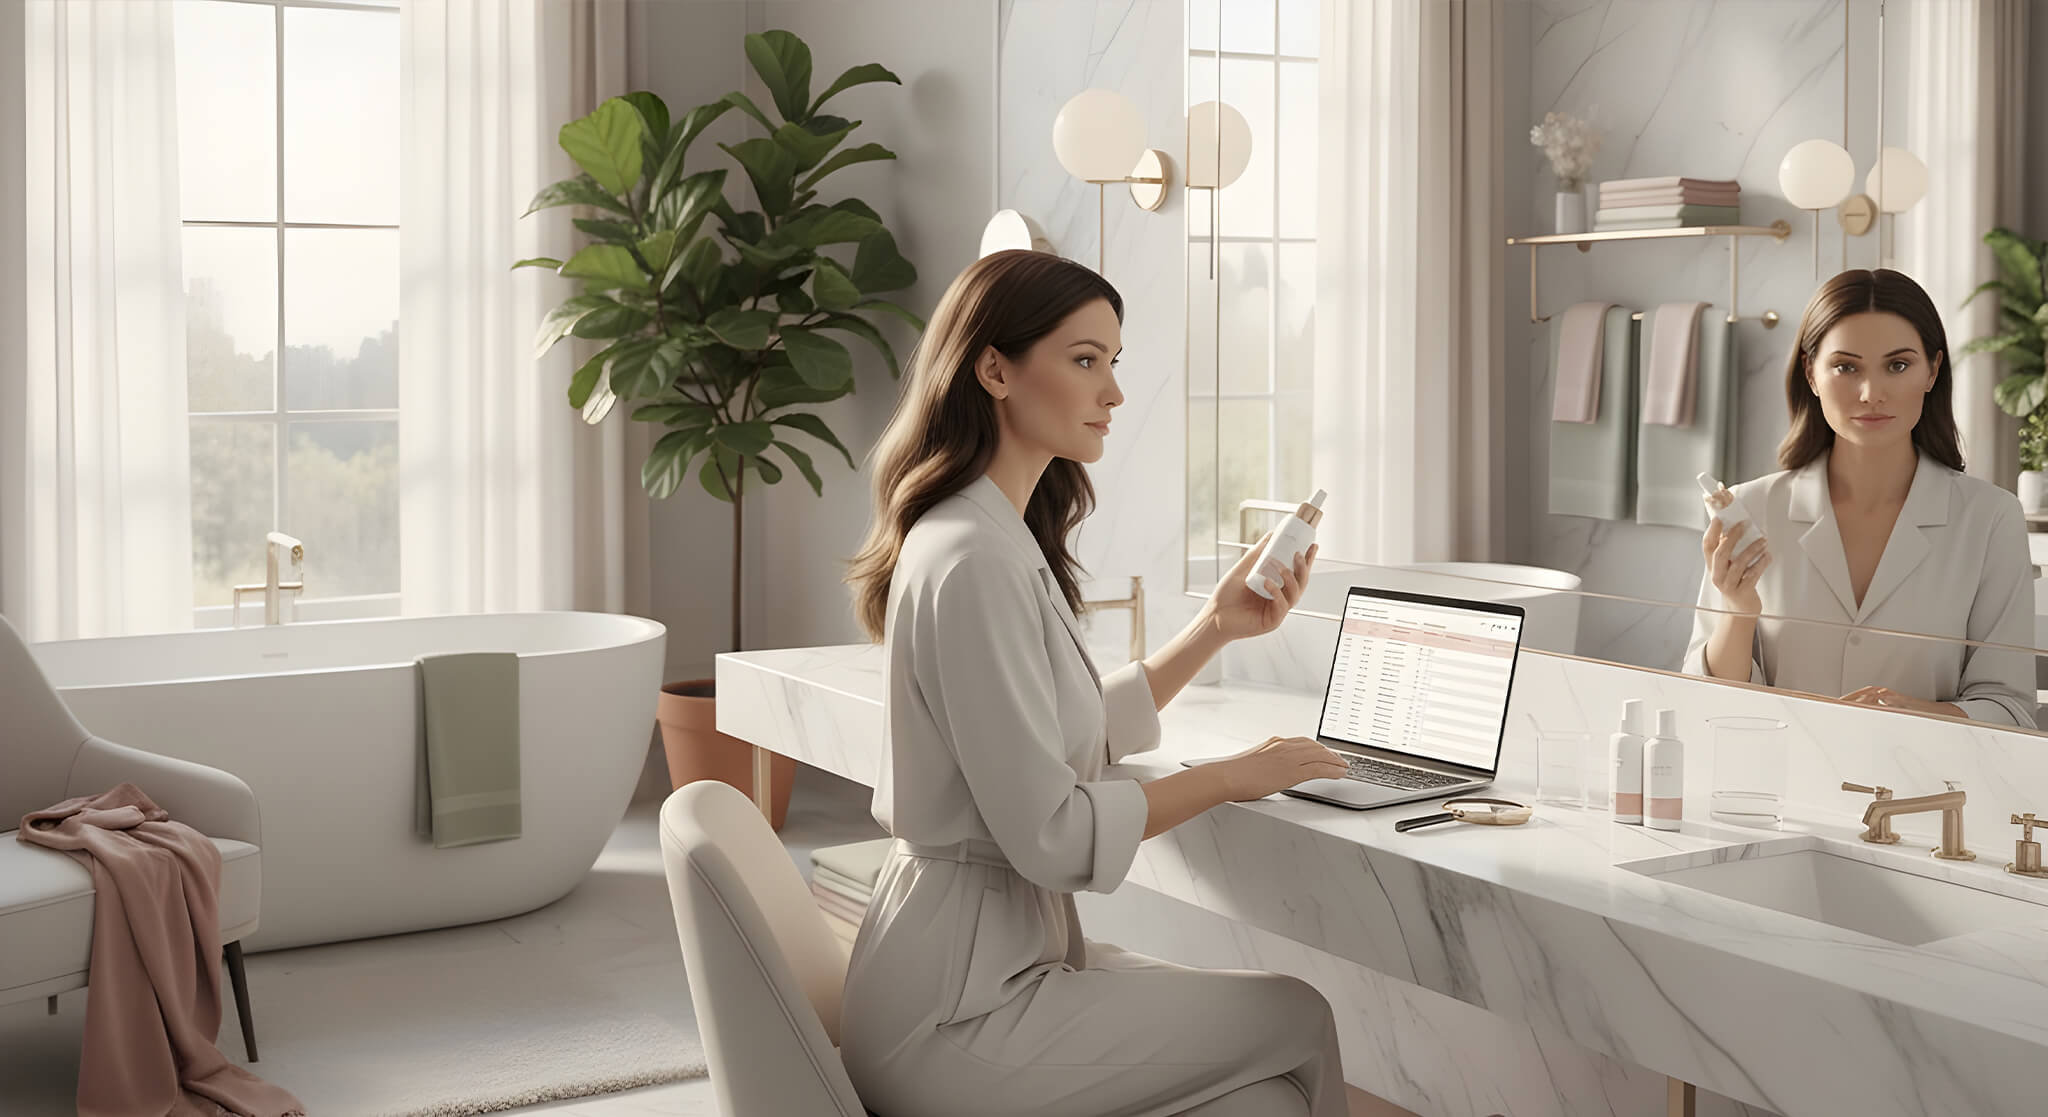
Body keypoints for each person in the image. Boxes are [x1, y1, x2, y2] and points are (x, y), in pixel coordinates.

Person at [840, 250, 1353, 1116]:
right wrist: (1232, 774)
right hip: (957, 1013)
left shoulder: (988, 534)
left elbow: (1060, 729)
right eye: (1085, 360)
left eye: (1114, 362)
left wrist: (1216, 628)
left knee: (1265, 1085)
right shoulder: (972, 557)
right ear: (994, 367)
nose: (1113, 392)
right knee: (1296, 1014)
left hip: (985, 962)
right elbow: (1049, 828)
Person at [1684, 268, 2036, 727]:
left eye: (1898, 365)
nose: (1871, 394)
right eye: (1846, 367)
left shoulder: (1990, 518)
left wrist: (1917, 715)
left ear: (1932, 369)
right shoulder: (1750, 510)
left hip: (1926, 788)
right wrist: (1737, 610)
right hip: (1784, 784)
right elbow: (1707, 704)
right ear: (1811, 373)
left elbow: (2011, 708)